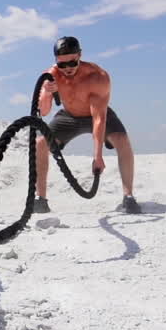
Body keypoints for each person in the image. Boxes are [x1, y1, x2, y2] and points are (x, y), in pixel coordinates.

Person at [34, 36, 142, 214]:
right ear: (56, 61)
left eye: (72, 62)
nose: (67, 68)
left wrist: (97, 156)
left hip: (98, 115)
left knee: (122, 141)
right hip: (69, 116)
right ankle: (41, 200)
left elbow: (99, 118)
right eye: (62, 64)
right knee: (40, 144)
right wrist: (46, 91)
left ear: (80, 55)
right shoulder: (51, 75)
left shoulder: (97, 77)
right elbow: (44, 112)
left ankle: (128, 196)